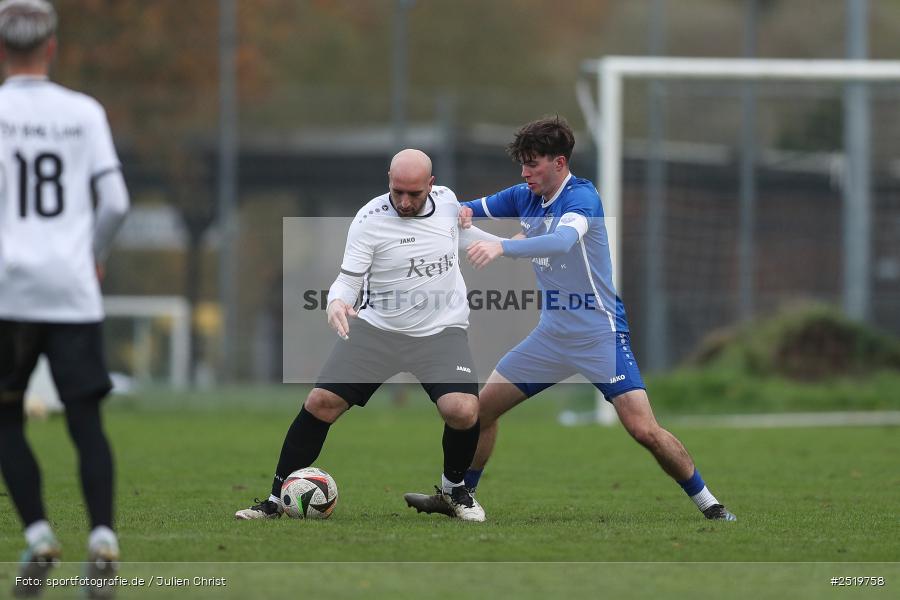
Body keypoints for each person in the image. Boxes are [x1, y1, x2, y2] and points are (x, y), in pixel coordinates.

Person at [404, 117, 736, 522]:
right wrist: (458, 215)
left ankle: (712, 506)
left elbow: (562, 241)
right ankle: (458, 495)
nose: (525, 173)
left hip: (600, 336)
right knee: (479, 412)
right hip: (550, 337)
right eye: (522, 165)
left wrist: (503, 248)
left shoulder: (583, 199)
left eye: (533, 164)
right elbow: (467, 208)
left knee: (643, 430)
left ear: (559, 162)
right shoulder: (525, 195)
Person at [235, 149, 503, 523]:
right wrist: (336, 303)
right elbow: (347, 280)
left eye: (414, 193)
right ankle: (275, 500)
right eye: (397, 192)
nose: (405, 202)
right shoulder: (368, 220)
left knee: (462, 410)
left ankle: (454, 491)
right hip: (378, 331)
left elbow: (467, 236)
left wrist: (515, 245)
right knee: (320, 402)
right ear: (388, 182)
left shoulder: (448, 203)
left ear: (431, 185)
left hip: (441, 331)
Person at [0, 0, 130, 597]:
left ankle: (38, 534)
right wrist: (93, 255)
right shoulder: (83, 112)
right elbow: (116, 203)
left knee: (5, 417)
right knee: (86, 420)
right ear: (50, 48)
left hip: (8, 292)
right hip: (72, 289)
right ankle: (102, 539)